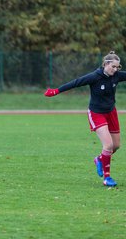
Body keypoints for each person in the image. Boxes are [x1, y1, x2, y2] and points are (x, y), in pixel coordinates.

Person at [44, 51, 126, 187]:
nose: (115, 70)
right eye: (113, 67)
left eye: (117, 67)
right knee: (108, 145)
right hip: (96, 113)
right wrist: (56, 91)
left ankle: (99, 159)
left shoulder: (116, 76)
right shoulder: (95, 77)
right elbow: (75, 83)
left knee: (116, 146)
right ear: (106, 64)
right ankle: (107, 178)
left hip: (111, 112)